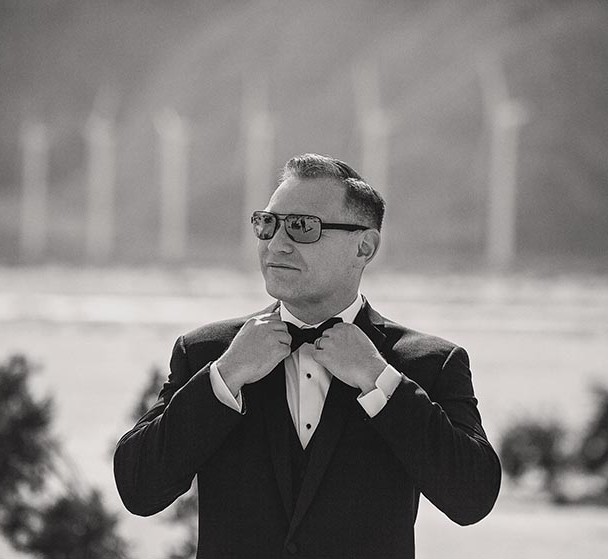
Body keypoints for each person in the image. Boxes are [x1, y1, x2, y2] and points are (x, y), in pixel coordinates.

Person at [114, 153, 500, 559]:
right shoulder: (206, 353)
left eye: (301, 227)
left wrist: (380, 380)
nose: (276, 243)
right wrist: (226, 376)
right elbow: (139, 490)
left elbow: (471, 498)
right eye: (267, 223)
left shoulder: (431, 363)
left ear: (364, 247)